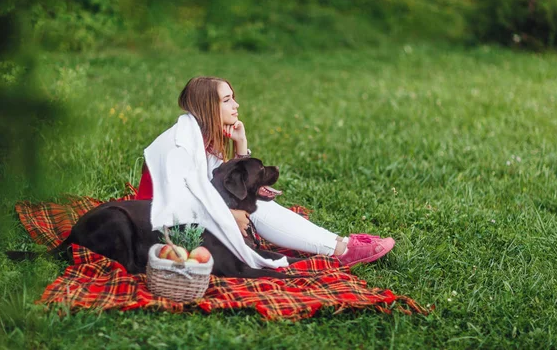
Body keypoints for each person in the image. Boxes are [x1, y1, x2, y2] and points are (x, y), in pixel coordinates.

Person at [136, 76, 395, 267]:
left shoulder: (202, 137)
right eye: (227, 100)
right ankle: (340, 250)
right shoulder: (181, 144)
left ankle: (343, 244)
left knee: (252, 203)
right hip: (163, 229)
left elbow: (232, 185)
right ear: (208, 107)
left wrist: (241, 144)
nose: (236, 105)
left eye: (233, 97)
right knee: (256, 207)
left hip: (187, 218)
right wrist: (229, 215)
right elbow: (180, 203)